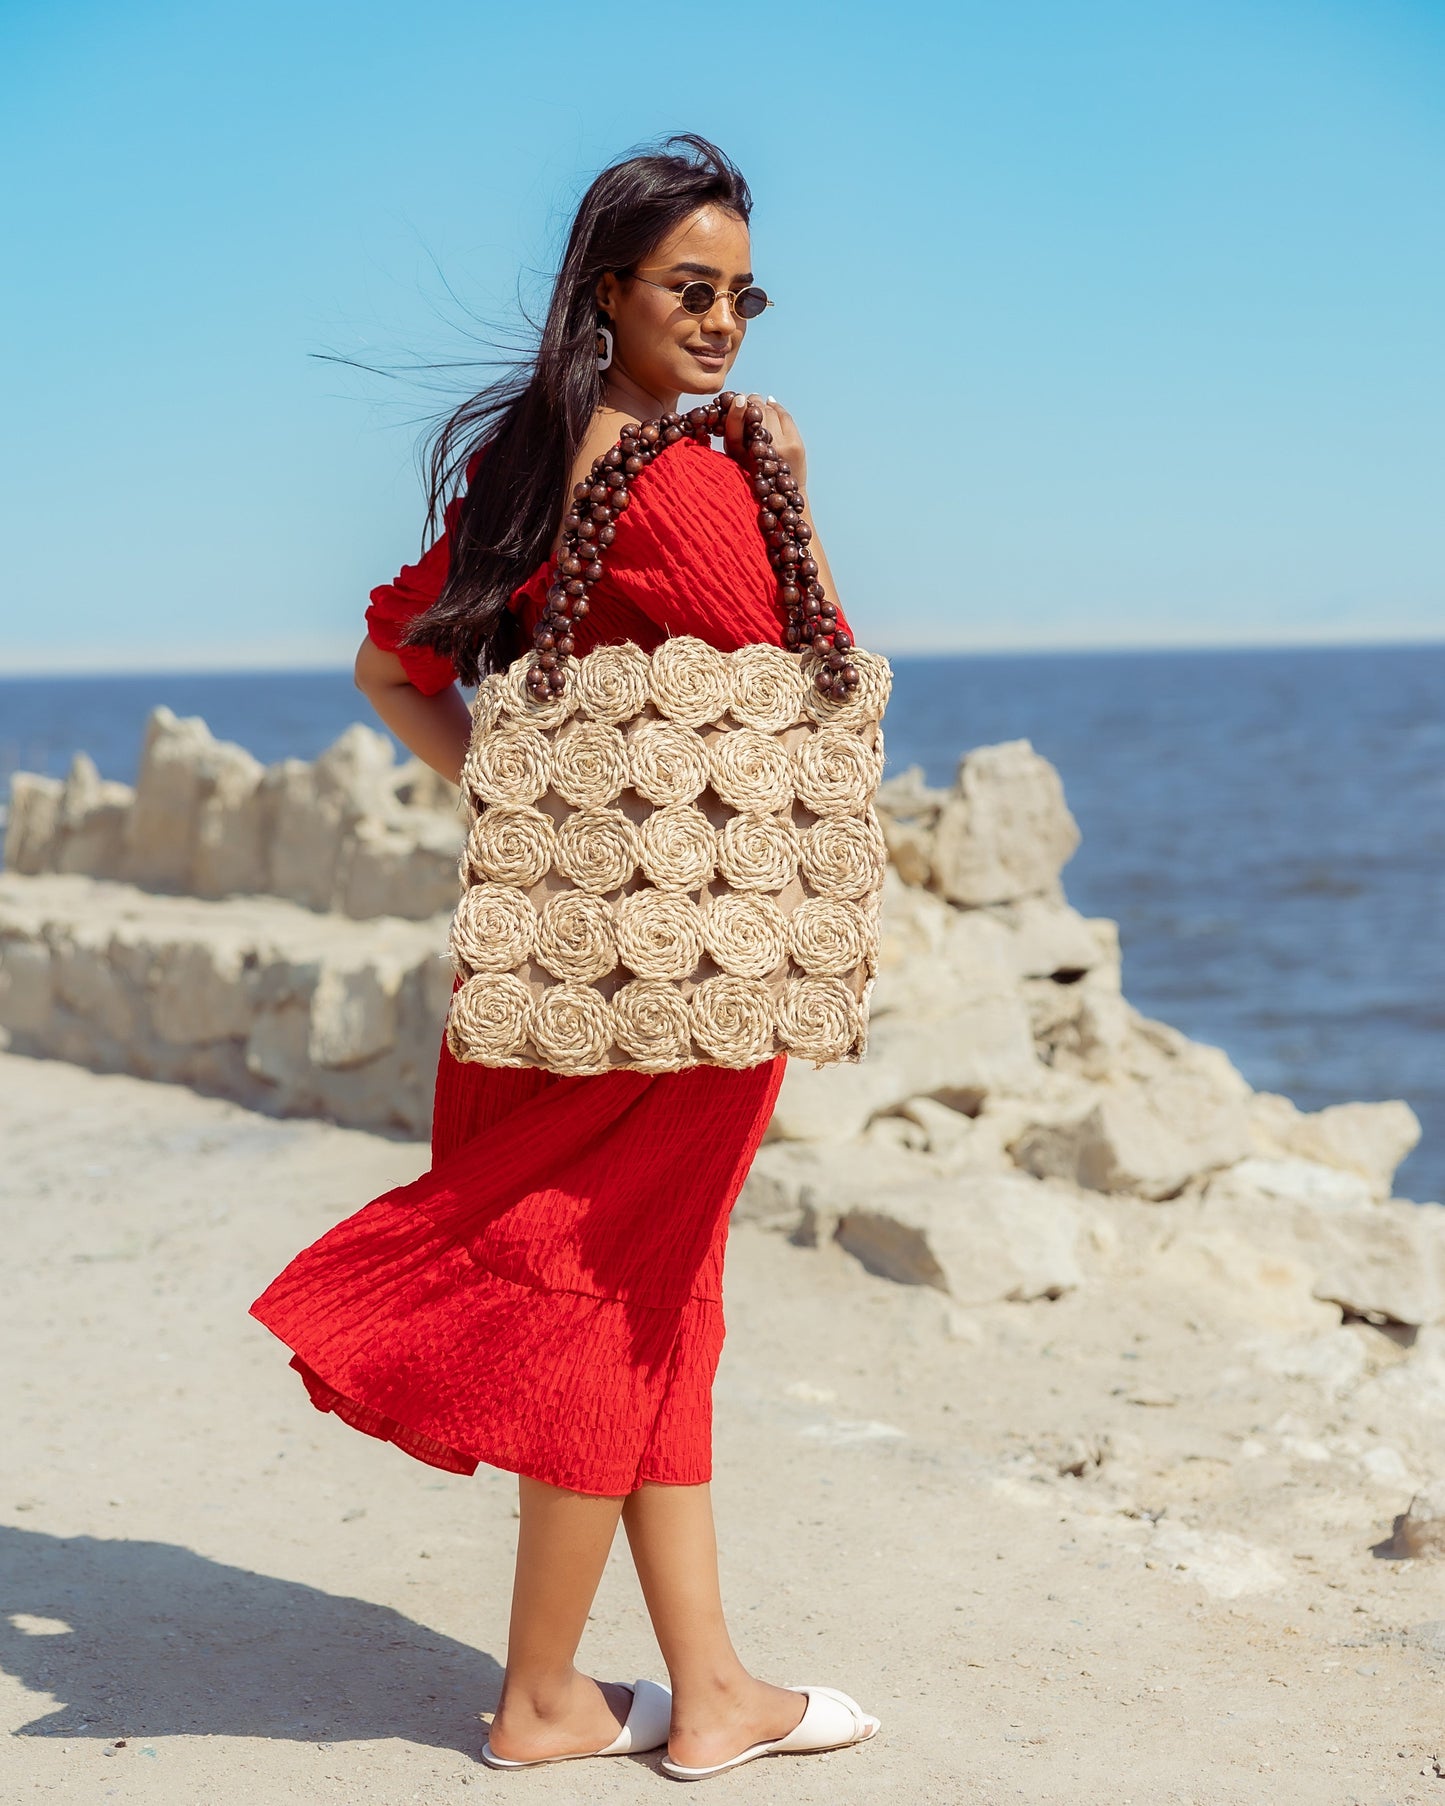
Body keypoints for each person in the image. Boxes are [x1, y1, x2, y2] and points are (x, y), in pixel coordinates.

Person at [248, 134, 881, 1781]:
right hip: (689, 976)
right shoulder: (679, 481)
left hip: (552, 971)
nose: (727, 319)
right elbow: (806, 673)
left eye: (745, 294)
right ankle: (542, 1698)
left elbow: (392, 670)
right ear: (605, 291)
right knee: (614, 1306)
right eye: (691, 288)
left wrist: (525, 801)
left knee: (650, 1303)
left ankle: (710, 1684)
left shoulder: (530, 472)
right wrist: (785, 495)